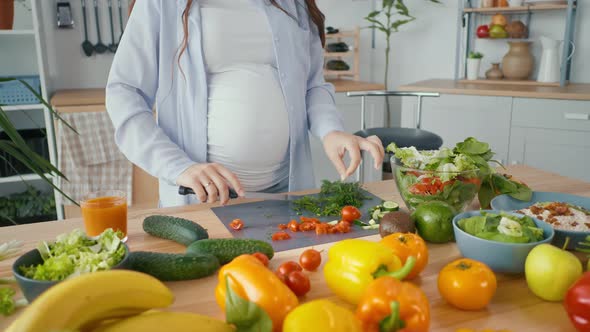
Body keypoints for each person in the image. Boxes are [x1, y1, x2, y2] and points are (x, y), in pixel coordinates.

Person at [106, 0, 384, 208]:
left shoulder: (293, 4)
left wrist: (331, 130)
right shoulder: (162, 3)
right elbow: (124, 92)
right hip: (204, 200)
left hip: (283, 196)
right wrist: (178, 167)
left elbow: (312, 85)